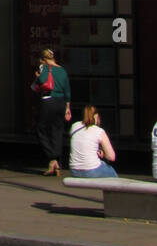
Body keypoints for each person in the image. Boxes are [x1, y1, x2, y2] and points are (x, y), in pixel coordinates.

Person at [32, 47, 71, 176]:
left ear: (43, 59)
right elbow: (67, 92)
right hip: (60, 102)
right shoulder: (63, 71)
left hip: (48, 101)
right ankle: (55, 162)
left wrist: (38, 76)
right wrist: (67, 108)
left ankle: (52, 156)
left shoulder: (44, 68)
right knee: (57, 130)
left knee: (41, 128)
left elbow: (43, 81)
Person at [69, 106, 118, 179]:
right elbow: (112, 157)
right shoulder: (98, 131)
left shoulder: (74, 126)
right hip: (91, 170)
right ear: (96, 116)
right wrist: (104, 155)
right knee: (112, 173)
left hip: (74, 170)